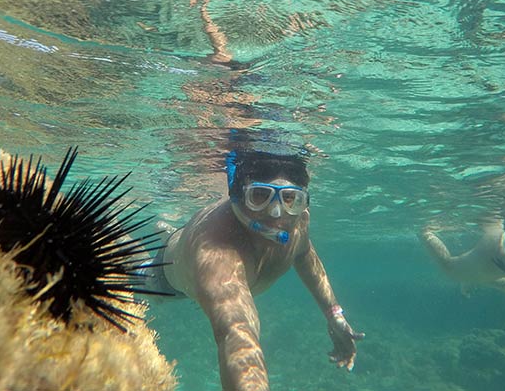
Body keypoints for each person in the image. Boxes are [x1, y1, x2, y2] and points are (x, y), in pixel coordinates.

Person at [145, 148, 363, 391]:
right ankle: (154, 235)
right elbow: (236, 335)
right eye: (260, 196)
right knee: (136, 282)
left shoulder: (298, 222)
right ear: (237, 196)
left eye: (290, 198)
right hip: (165, 277)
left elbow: (305, 256)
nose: (277, 212)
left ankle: (167, 230)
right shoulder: (217, 251)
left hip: (197, 268)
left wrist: (334, 314)